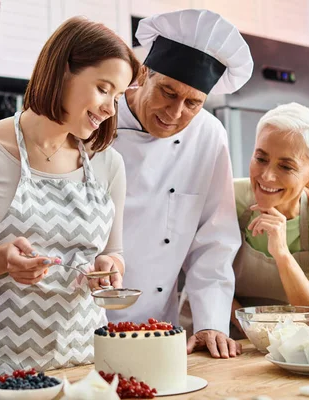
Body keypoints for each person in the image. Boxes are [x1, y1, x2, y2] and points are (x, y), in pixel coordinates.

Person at [0, 17, 140, 376]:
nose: (111, 109)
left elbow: (112, 254)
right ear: (62, 71)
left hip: (85, 366)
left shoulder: (107, 163)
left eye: (118, 97)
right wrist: (0, 261)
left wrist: (110, 269)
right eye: (104, 89)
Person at [107, 9, 253, 359]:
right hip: (81, 318)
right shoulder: (97, 116)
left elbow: (214, 240)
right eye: (168, 92)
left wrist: (211, 322)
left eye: (193, 103)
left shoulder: (209, 135)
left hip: (156, 328)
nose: (175, 113)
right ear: (144, 74)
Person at [231, 102, 309, 335]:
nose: (266, 176)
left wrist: (282, 254)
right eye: (261, 158)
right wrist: (251, 331)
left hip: (286, 340)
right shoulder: (229, 197)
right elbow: (205, 276)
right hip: (217, 334)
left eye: (286, 167)